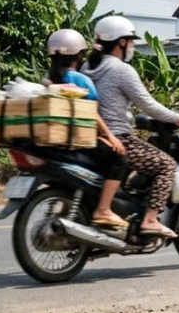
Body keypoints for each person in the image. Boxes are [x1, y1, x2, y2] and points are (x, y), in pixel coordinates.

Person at [84, 15, 179, 239]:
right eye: (130, 42)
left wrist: (134, 119)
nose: (132, 46)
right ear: (121, 42)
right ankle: (150, 220)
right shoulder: (120, 70)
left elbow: (110, 103)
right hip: (117, 137)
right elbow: (149, 104)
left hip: (89, 136)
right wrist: (176, 116)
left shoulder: (87, 67)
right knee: (166, 165)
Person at [45, 29, 129, 229]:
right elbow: (91, 113)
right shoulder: (81, 80)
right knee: (119, 157)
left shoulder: (48, 79)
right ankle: (104, 209)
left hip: (55, 140)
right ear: (79, 55)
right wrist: (110, 137)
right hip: (80, 139)